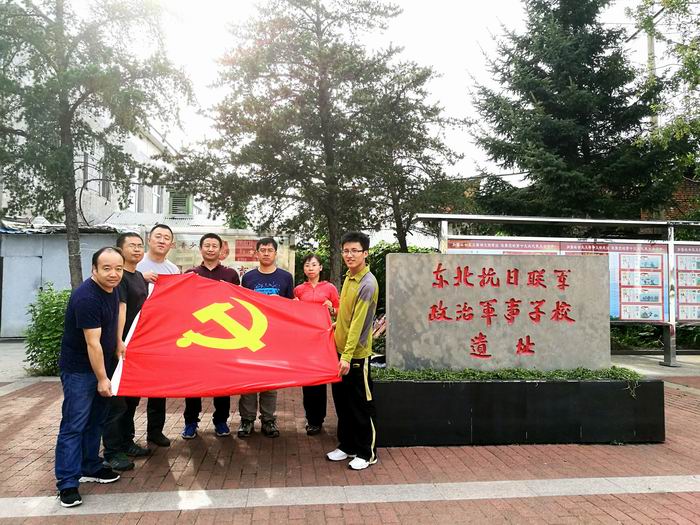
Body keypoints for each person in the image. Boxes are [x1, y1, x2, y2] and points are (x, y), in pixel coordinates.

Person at [55, 247, 125, 508]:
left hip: (102, 365)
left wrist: (118, 342)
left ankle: (90, 466)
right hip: (80, 371)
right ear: (94, 269)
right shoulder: (87, 298)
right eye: (107, 268)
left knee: (96, 420)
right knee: (74, 424)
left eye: (118, 268)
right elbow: (92, 343)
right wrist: (102, 378)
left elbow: (115, 317)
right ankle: (67, 483)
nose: (113, 273)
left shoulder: (112, 288)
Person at [326, 231, 379, 471]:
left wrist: (346, 357)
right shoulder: (349, 277)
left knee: (361, 406)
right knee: (343, 404)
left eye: (355, 251)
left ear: (365, 253)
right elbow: (347, 313)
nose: (349, 255)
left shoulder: (368, 283)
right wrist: (337, 324)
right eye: (346, 251)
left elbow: (359, 324)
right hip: (340, 352)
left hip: (356, 357)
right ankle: (347, 445)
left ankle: (367, 453)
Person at [181, 233, 240, 439]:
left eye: (215, 245)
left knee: (222, 382)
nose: (211, 249)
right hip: (198, 336)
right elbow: (183, 302)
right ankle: (190, 422)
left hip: (223, 336)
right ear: (201, 249)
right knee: (193, 382)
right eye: (207, 245)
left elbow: (238, 302)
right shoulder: (191, 274)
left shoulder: (231, 274)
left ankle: (221, 421)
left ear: (221, 250)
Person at [101, 233, 152, 472]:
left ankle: (126, 441)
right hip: (119, 349)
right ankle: (112, 452)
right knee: (116, 403)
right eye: (132, 246)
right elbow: (121, 310)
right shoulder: (119, 279)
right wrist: (119, 340)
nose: (137, 249)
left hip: (136, 348)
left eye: (140, 245)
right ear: (120, 250)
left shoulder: (138, 276)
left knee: (131, 400)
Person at [238, 237, 294, 438]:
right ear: (257, 253)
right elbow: (242, 305)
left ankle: (268, 420)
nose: (266, 253)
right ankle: (247, 420)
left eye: (270, 250)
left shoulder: (286, 277)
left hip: (274, 337)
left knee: (270, 381)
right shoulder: (248, 278)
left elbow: (291, 307)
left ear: (275, 253)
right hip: (251, 335)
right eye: (263, 250)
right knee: (249, 379)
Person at [136, 224, 180, 447]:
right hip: (135, 334)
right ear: (149, 240)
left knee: (158, 388)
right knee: (131, 389)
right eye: (158, 236)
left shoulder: (173, 269)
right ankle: (125, 437)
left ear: (171, 244)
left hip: (161, 335)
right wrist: (140, 278)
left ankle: (155, 432)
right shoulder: (136, 264)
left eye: (166, 238)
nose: (162, 241)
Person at [293, 254, 339, 436]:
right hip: (305, 340)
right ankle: (312, 420)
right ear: (303, 269)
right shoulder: (298, 290)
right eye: (307, 265)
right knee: (308, 381)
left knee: (321, 380)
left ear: (320, 267)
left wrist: (331, 308)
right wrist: (294, 305)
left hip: (324, 339)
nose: (310, 268)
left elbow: (340, 311)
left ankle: (319, 418)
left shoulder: (330, 288)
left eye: (314, 265)